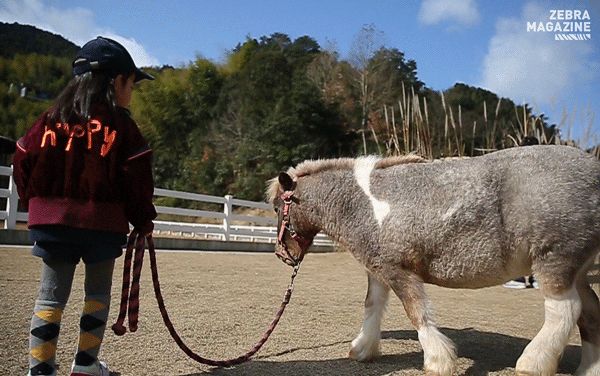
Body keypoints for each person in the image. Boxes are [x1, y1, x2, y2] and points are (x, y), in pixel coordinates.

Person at [13, 37, 157, 376]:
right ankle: (86, 365)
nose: (131, 92)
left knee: (50, 297)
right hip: (102, 225)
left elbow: (22, 157)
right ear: (114, 81)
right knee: (97, 294)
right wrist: (143, 220)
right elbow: (137, 176)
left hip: (52, 225)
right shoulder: (122, 126)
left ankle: (41, 370)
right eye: (130, 84)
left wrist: (35, 204)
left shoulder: (50, 119)